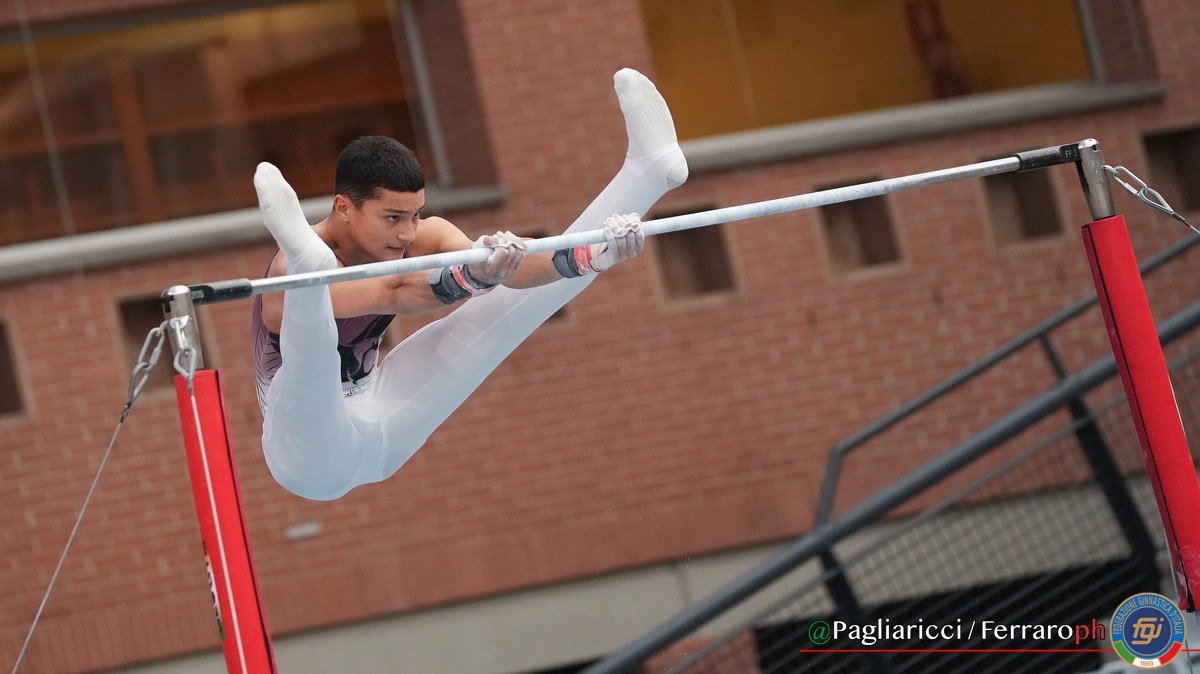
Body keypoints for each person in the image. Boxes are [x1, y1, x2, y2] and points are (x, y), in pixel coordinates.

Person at [253, 68, 688, 500]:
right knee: (310, 352)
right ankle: (309, 269)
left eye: (415, 215)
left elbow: (516, 271)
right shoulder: (284, 272)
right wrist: (473, 276)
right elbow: (395, 291)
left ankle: (648, 173)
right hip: (309, 455)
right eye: (393, 218)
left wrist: (591, 256)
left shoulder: (423, 236)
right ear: (344, 207)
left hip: (385, 412)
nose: (407, 233)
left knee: (497, 311)